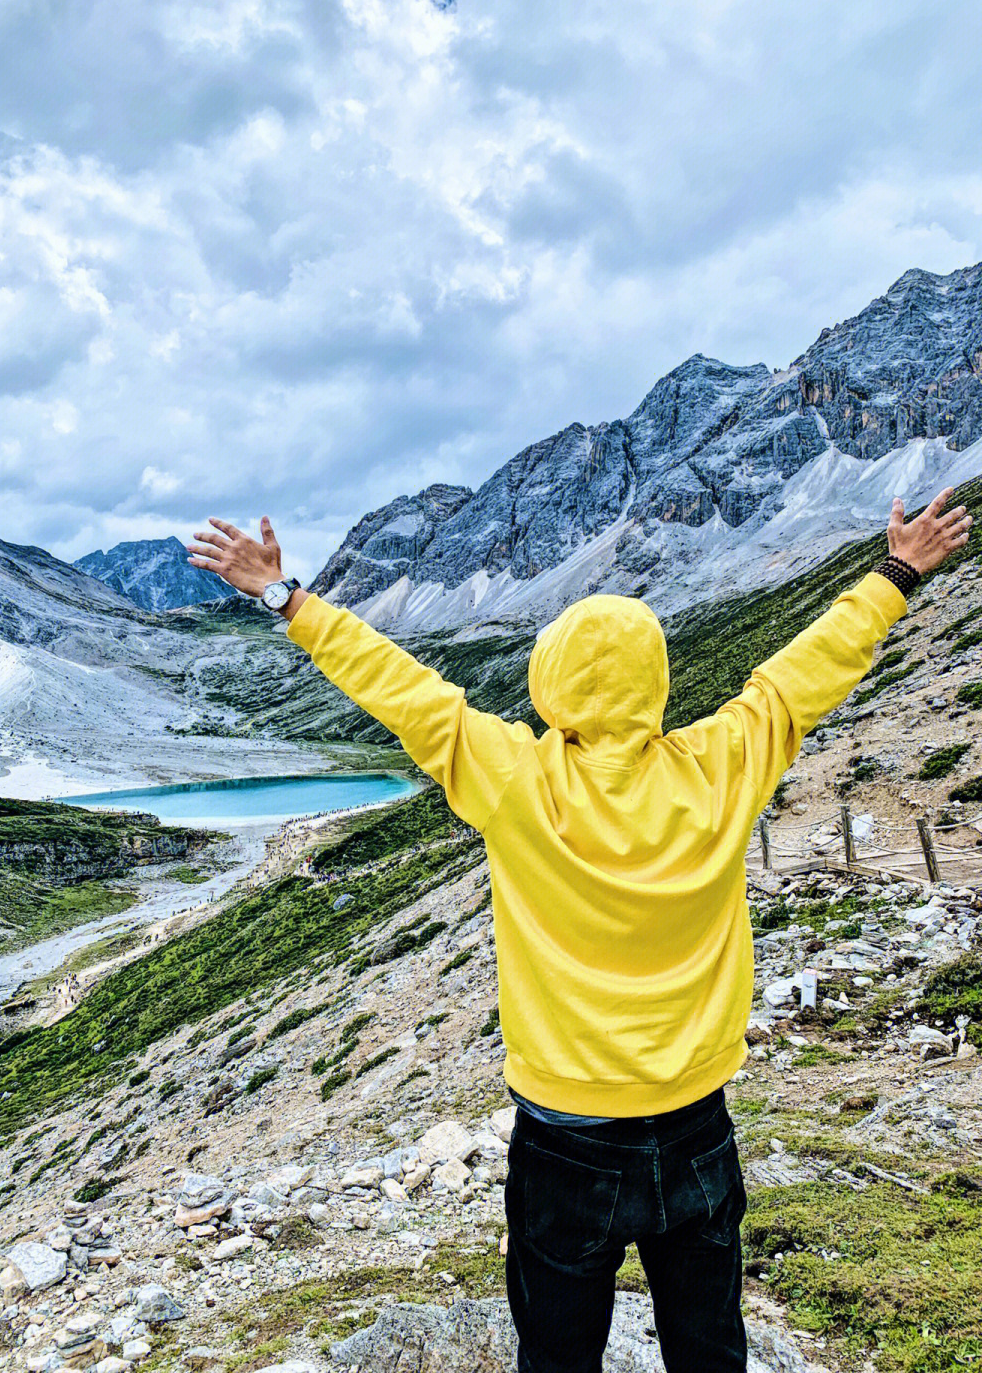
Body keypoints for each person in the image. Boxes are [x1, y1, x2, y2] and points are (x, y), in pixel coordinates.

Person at [186, 488, 972, 1373]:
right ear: (659, 681)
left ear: (549, 677)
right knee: (708, 1348)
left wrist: (285, 596)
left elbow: (403, 689)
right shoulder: (723, 762)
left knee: (557, 1353)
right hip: (695, 1121)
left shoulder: (513, 777)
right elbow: (804, 671)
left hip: (564, 1134)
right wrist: (899, 570)